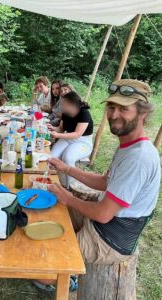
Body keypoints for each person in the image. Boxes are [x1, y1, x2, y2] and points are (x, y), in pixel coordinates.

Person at [39, 79, 160, 292]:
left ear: (143, 114)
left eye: (124, 109)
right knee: (51, 212)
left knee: (45, 263)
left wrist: (66, 197)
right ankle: (68, 248)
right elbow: (106, 182)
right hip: (104, 220)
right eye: (111, 107)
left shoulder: (139, 157)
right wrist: (66, 169)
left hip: (110, 237)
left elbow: (104, 214)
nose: (114, 114)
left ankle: (65, 279)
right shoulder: (129, 145)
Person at [49, 91, 93, 188]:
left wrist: (58, 135)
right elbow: (61, 129)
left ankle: (71, 187)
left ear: (71, 104)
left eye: (63, 104)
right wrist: (52, 128)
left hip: (83, 142)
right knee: (52, 158)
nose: (61, 106)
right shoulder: (65, 113)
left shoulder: (84, 113)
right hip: (68, 138)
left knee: (68, 157)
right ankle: (62, 183)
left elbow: (77, 134)